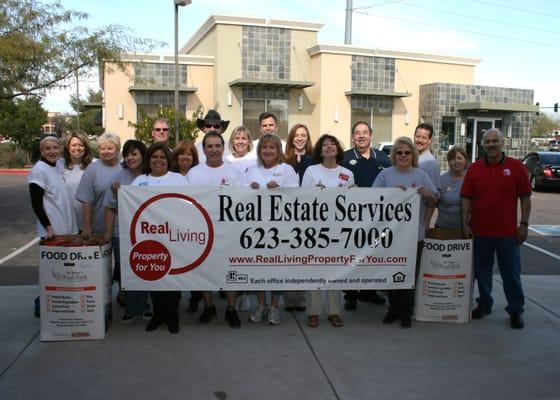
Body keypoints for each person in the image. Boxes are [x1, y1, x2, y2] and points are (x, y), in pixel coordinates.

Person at [461, 128, 531, 329]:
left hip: (508, 234)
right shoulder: (474, 168)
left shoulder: (516, 167)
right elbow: (466, 198)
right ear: (482, 145)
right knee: (482, 273)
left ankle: (516, 310)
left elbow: (525, 197)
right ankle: (484, 304)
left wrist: (524, 224)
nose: (491, 144)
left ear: (502, 143)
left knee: (511, 274)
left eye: (495, 141)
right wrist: (464, 223)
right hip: (480, 232)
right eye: (488, 141)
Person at [373, 136, 438, 328]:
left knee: (410, 274)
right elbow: (372, 199)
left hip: (414, 234)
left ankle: (405, 312)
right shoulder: (385, 174)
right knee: (392, 271)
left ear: (413, 155)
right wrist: (391, 193)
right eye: (399, 152)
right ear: (393, 155)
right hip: (391, 234)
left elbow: (434, 201)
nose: (403, 155)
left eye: (407, 153)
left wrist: (429, 196)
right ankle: (392, 310)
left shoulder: (421, 175)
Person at [186, 131, 243, 328]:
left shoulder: (234, 173)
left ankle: (231, 309)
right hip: (203, 231)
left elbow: (242, 203)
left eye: (217, 146)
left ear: (223, 147)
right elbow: (188, 203)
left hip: (228, 231)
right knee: (204, 271)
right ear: (204, 150)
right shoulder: (194, 173)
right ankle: (209, 306)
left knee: (230, 272)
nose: (214, 150)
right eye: (209, 146)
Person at [131, 143, 185, 334]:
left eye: (162, 157)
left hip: (175, 236)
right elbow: (131, 207)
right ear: (149, 160)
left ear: (168, 160)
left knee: (173, 280)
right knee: (155, 278)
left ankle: (172, 316)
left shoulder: (179, 179)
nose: (158, 160)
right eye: (154, 157)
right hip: (149, 236)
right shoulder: (139, 181)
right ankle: (157, 315)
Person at [245, 134, 299, 325]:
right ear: (259, 151)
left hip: (280, 227)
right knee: (258, 267)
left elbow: (296, 194)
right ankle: (262, 305)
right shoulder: (251, 170)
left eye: (272, 148)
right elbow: (240, 195)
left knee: (276, 267)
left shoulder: (287, 170)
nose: (268, 151)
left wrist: (280, 187)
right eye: (264, 147)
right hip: (256, 228)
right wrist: (249, 189)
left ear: (279, 151)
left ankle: (275, 306)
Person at [302, 134, 353, 328]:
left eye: (332, 144)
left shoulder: (348, 174)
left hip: (338, 230)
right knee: (313, 270)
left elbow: (351, 204)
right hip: (314, 230)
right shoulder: (311, 171)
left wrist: (354, 193)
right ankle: (313, 312)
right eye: (324, 145)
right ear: (320, 150)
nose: (329, 147)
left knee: (336, 270)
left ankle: (334, 311)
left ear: (338, 149)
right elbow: (302, 198)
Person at [341, 121, 391, 310]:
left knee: (373, 255)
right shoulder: (344, 158)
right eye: (357, 133)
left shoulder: (383, 158)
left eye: (364, 133)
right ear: (353, 136)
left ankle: (369, 292)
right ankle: (351, 294)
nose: (361, 136)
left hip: (377, 217)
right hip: (351, 217)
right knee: (352, 256)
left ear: (371, 135)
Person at [28, 135, 78, 317]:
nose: (52, 151)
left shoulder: (57, 166)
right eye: (47, 148)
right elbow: (35, 202)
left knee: (63, 272)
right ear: (41, 151)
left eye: (55, 148)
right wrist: (48, 227)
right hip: (52, 232)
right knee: (52, 273)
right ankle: (42, 306)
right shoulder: (39, 170)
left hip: (66, 229)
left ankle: (59, 305)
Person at [103, 140, 151, 324]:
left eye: (134, 154)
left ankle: (145, 305)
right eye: (127, 154)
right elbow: (109, 207)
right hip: (121, 233)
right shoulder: (118, 177)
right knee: (126, 271)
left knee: (146, 268)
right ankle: (132, 308)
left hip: (148, 232)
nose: (130, 158)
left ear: (143, 155)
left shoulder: (151, 174)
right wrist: (108, 234)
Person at [75, 132, 123, 303]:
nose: (106, 151)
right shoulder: (93, 169)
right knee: (99, 268)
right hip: (98, 227)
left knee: (122, 266)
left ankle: (123, 295)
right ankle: (100, 299)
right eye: (102, 148)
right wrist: (87, 226)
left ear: (117, 149)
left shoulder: (125, 168)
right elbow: (87, 200)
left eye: (110, 148)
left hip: (121, 228)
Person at [282, 123, 315, 312]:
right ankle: (288, 299)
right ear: (292, 138)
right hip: (288, 215)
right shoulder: (284, 160)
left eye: (304, 135)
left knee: (304, 258)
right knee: (288, 258)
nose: (300, 138)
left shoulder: (313, 161)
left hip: (308, 215)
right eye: (297, 135)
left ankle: (301, 299)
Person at [170, 140, 204, 314]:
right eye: (182, 153)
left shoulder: (199, 174)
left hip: (195, 227)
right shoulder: (168, 175)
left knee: (195, 266)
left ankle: (196, 297)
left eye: (189, 154)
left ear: (194, 157)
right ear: (176, 157)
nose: (185, 157)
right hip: (173, 228)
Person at [60, 131, 95, 231]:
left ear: (86, 147)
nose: (77, 148)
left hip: (90, 225)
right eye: (74, 145)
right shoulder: (59, 165)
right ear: (68, 147)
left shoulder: (95, 165)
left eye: (81, 145)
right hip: (66, 224)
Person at [414, 123, 440, 228]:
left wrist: (426, 223)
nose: (419, 140)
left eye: (424, 138)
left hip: (420, 218)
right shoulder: (409, 158)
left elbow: (434, 197)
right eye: (417, 136)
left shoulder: (432, 164)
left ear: (429, 140)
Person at [435, 147, 468, 231]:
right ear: (449, 162)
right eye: (452, 159)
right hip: (443, 229)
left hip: (467, 229)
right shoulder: (441, 179)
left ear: (465, 160)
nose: (456, 161)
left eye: (459, 158)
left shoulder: (471, 178)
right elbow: (434, 202)